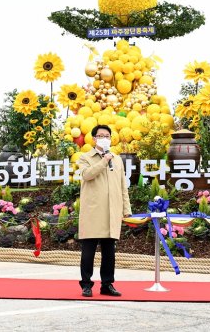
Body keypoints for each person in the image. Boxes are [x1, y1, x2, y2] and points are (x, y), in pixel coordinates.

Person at [76, 124, 132, 297]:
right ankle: (86, 285)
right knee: (88, 253)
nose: (104, 138)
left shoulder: (117, 160)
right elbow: (87, 175)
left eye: (107, 135)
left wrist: (126, 209)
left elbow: (123, 186)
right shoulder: (85, 157)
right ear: (94, 139)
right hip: (93, 212)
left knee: (109, 254)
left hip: (111, 211)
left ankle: (107, 284)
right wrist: (103, 160)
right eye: (100, 136)